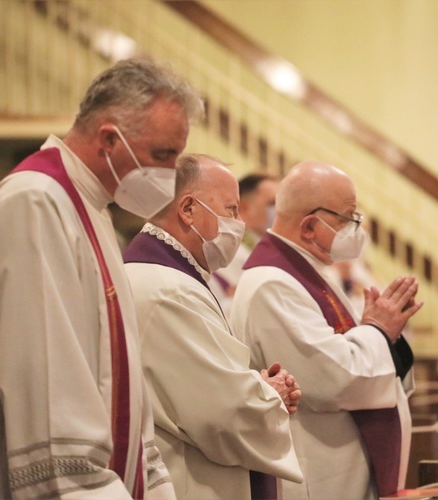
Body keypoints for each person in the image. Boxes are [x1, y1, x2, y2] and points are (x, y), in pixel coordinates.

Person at [0, 56, 201, 498]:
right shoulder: (34, 205)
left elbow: (117, 382)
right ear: (110, 138)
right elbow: (50, 397)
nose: (169, 175)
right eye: (163, 156)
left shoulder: (90, 210)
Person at [230, 161, 422, 499]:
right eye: (348, 219)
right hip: (317, 471)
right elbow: (332, 378)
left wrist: (383, 333)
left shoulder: (309, 272)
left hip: (340, 464)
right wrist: (378, 329)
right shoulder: (272, 285)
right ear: (309, 227)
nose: (356, 229)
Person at [122, 154, 303, 499]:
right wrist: (270, 395)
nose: (238, 223)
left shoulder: (164, 276)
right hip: (191, 478)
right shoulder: (169, 290)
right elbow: (221, 415)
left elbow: (194, 385)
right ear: (188, 209)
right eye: (231, 210)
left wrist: (252, 384)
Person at [211, 172, 279, 314]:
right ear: (244, 209)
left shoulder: (268, 252)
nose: (278, 211)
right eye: (272, 203)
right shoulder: (225, 252)